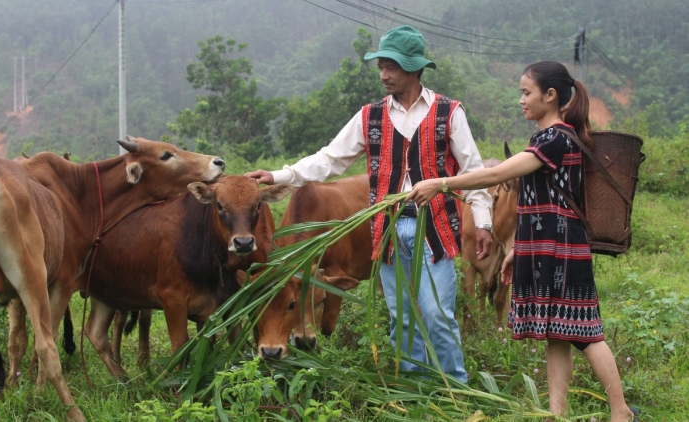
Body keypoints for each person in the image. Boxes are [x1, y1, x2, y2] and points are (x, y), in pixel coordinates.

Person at [246, 25, 493, 383]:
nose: (384, 75)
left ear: (414, 68)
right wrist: (280, 175)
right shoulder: (370, 116)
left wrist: (482, 221)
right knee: (402, 316)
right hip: (388, 228)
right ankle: (415, 386)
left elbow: (473, 172)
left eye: (391, 67)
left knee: (436, 312)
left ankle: (456, 384)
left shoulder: (449, 113)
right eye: (381, 66)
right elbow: (330, 159)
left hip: (434, 226)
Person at [407, 61, 637, 422]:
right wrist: (518, 249)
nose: (521, 100)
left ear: (551, 95)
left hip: (561, 250)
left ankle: (621, 411)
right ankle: (555, 413)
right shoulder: (547, 138)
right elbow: (535, 204)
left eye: (526, 92)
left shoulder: (556, 138)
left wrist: (441, 183)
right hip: (546, 249)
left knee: (585, 331)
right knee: (556, 334)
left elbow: (498, 173)